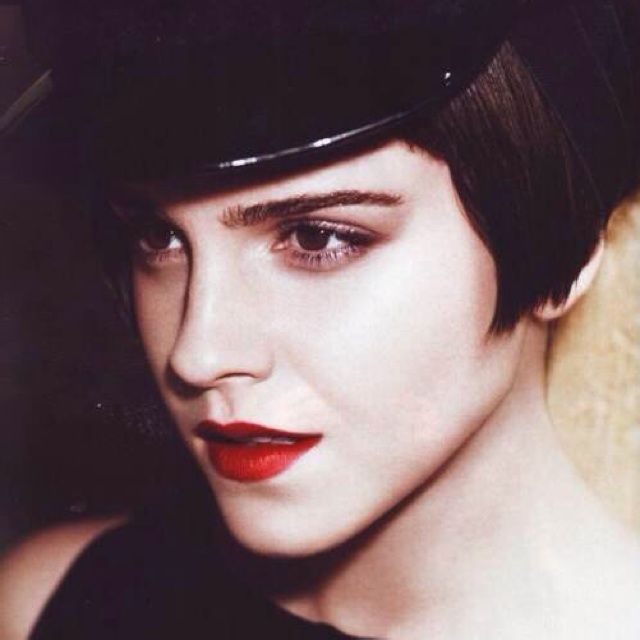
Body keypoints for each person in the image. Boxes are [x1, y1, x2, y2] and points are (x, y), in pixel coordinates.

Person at [1, 1, 640, 638]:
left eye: (317, 238)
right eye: (157, 236)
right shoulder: (51, 604)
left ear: (568, 249)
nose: (197, 354)